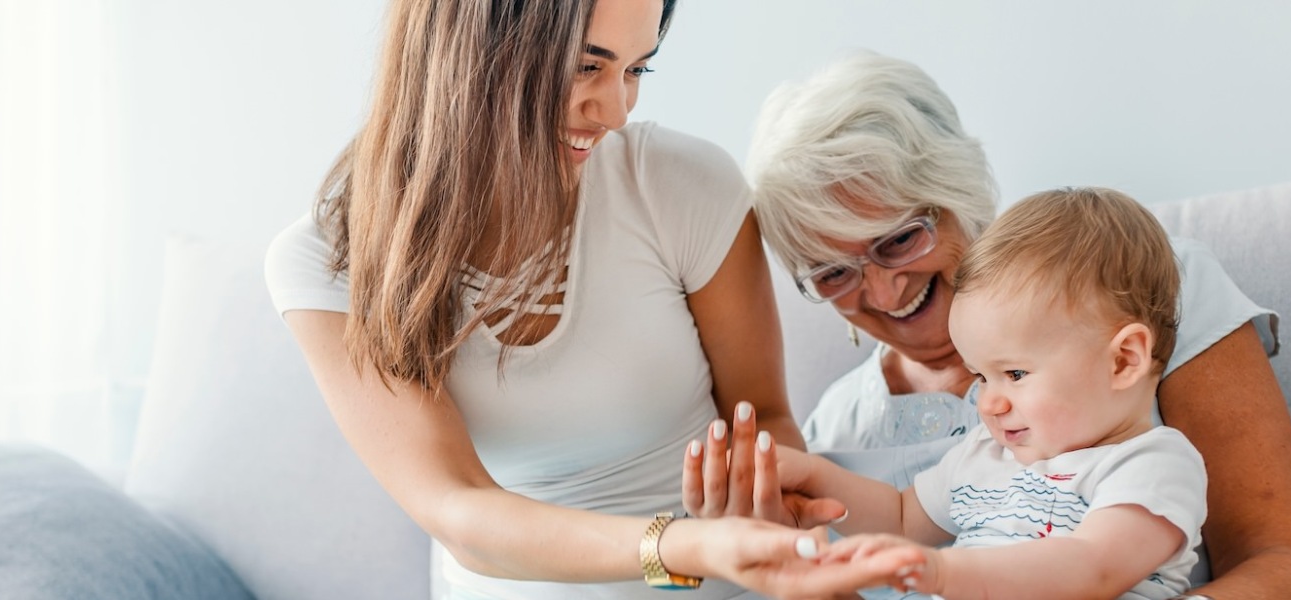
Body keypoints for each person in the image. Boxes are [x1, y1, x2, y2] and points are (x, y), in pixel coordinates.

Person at [684, 52, 1291, 598]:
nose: (882, 290)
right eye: (834, 273)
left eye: (900, 239)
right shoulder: (840, 426)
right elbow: (902, 527)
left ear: (959, 195)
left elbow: (1288, 563)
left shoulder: (1139, 294)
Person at [264, 0, 856, 597]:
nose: (617, 113)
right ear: (466, 55)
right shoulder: (331, 263)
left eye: (636, 70)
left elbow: (767, 417)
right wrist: (683, 547)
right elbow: (458, 512)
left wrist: (762, 501)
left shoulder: (681, 185)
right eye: (583, 66)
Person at [742, 187, 1209, 599]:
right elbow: (901, 516)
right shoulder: (985, 454)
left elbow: (1092, 567)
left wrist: (944, 571)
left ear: (1124, 360)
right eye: (981, 377)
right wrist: (812, 475)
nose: (988, 403)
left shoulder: (1153, 465)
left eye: (1016, 374)